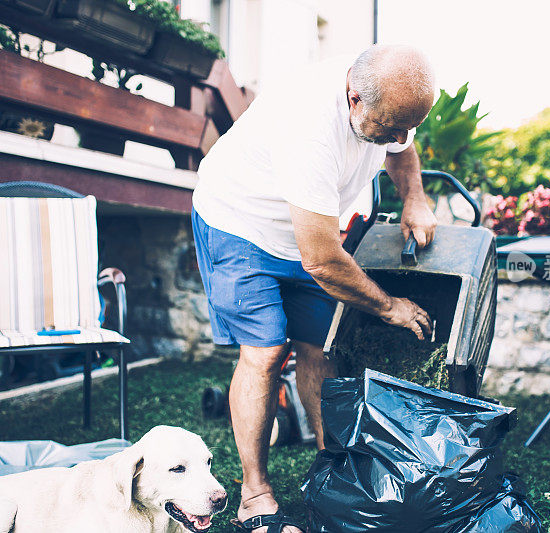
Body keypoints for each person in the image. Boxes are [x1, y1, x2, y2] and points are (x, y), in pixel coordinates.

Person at [191, 44, 437, 533]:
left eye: (404, 126)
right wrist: (390, 307)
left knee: (320, 348)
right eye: (387, 126)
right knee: (264, 350)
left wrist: (415, 197)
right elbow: (323, 261)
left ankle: (332, 469)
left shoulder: (386, 96)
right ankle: (254, 494)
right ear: (353, 98)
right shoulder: (309, 126)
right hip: (241, 224)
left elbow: (401, 147)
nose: (396, 136)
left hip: (309, 233)